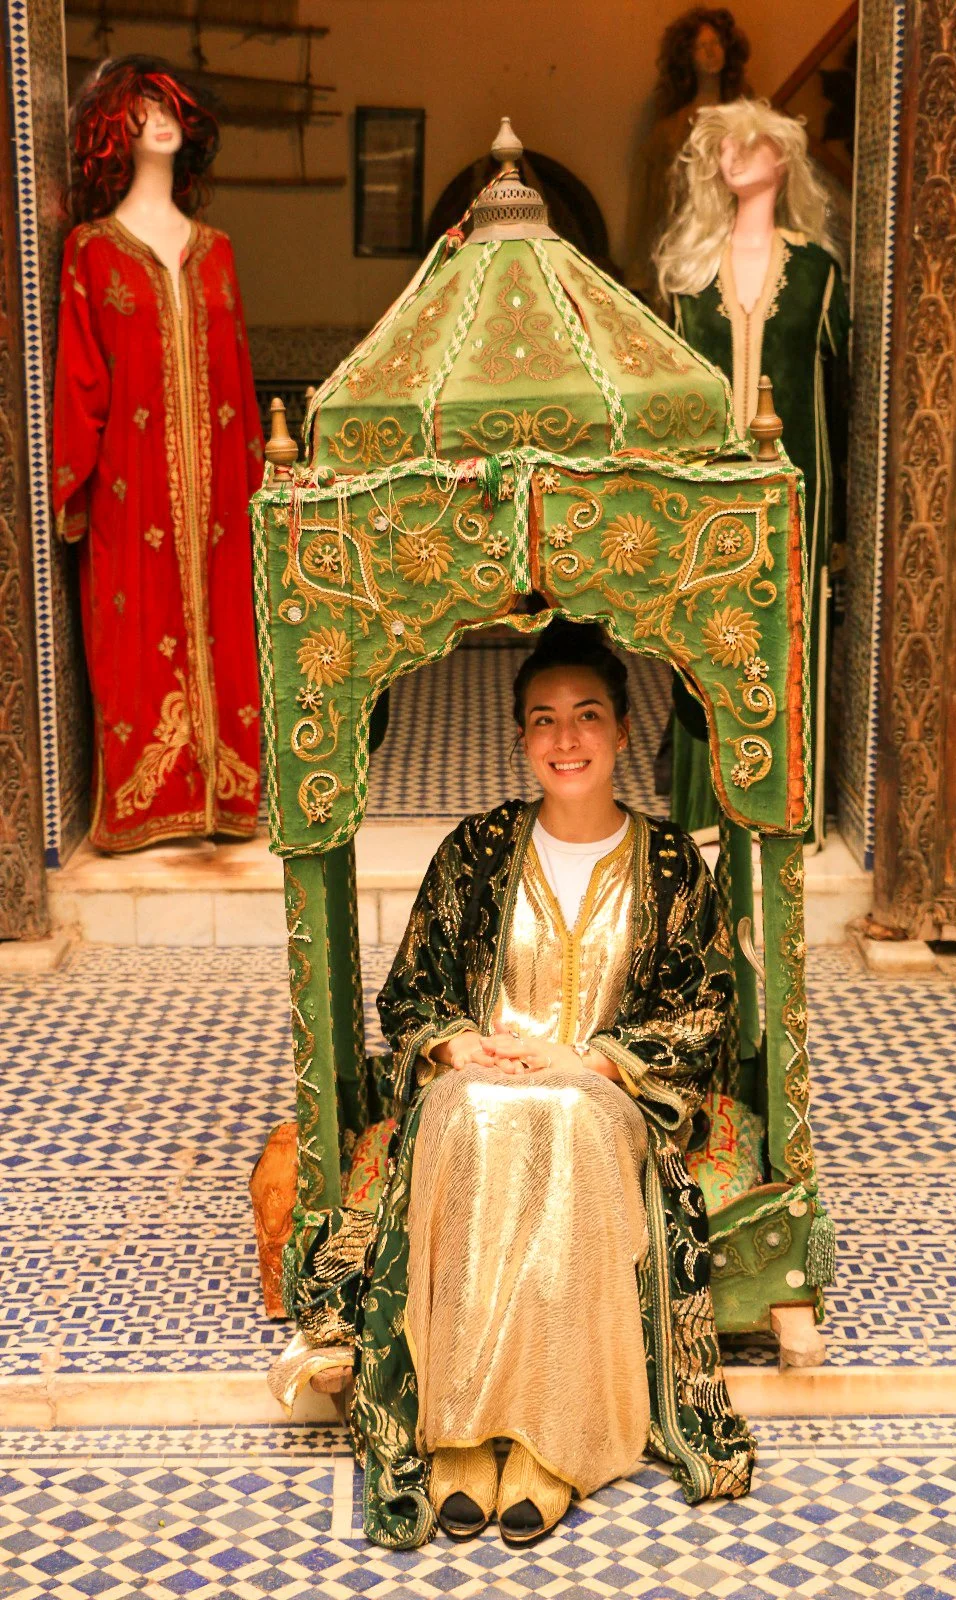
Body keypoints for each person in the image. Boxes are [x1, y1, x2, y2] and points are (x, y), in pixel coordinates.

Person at [354, 620, 755, 1549]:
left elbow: (705, 1007)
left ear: (620, 730)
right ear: (521, 738)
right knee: (474, 1124)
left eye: (586, 717)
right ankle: (457, 1429)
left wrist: (599, 1060)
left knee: (569, 1128)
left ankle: (549, 1438)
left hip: (605, 1094)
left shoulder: (668, 866)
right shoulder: (478, 852)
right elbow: (414, 988)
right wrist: (457, 1049)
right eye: (543, 721)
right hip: (485, 1085)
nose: (564, 740)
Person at [53, 56, 263, 852]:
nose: (160, 120)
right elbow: (79, 379)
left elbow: (239, 381)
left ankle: (228, 797)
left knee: (224, 630)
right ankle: (147, 807)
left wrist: (251, 490)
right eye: (142, 109)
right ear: (117, 126)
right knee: (135, 642)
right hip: (128, 491)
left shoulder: (217, 251)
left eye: (171, 106)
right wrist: (73, 491)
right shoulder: (91, 251)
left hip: (215, 496)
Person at [655, 100, 849, 845]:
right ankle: (708, 808)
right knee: (704, 632)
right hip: (704, 484)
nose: (737, 156)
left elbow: (838, 389)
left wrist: (841, 520)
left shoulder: (818, 273)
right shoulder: (689, 275)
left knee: (786, 632)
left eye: (754, 142)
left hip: (796, 483)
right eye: (725, 146)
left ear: (786, 158)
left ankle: (786, 807)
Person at [625, 7, 751, 304]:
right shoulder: (669, 131)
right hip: (687, 254)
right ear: (687, 58)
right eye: (701, 46)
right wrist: (642, 270)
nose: (710, 52)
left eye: (716, 43)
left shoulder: (748, 119)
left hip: (740, 248)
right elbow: (654, 207)